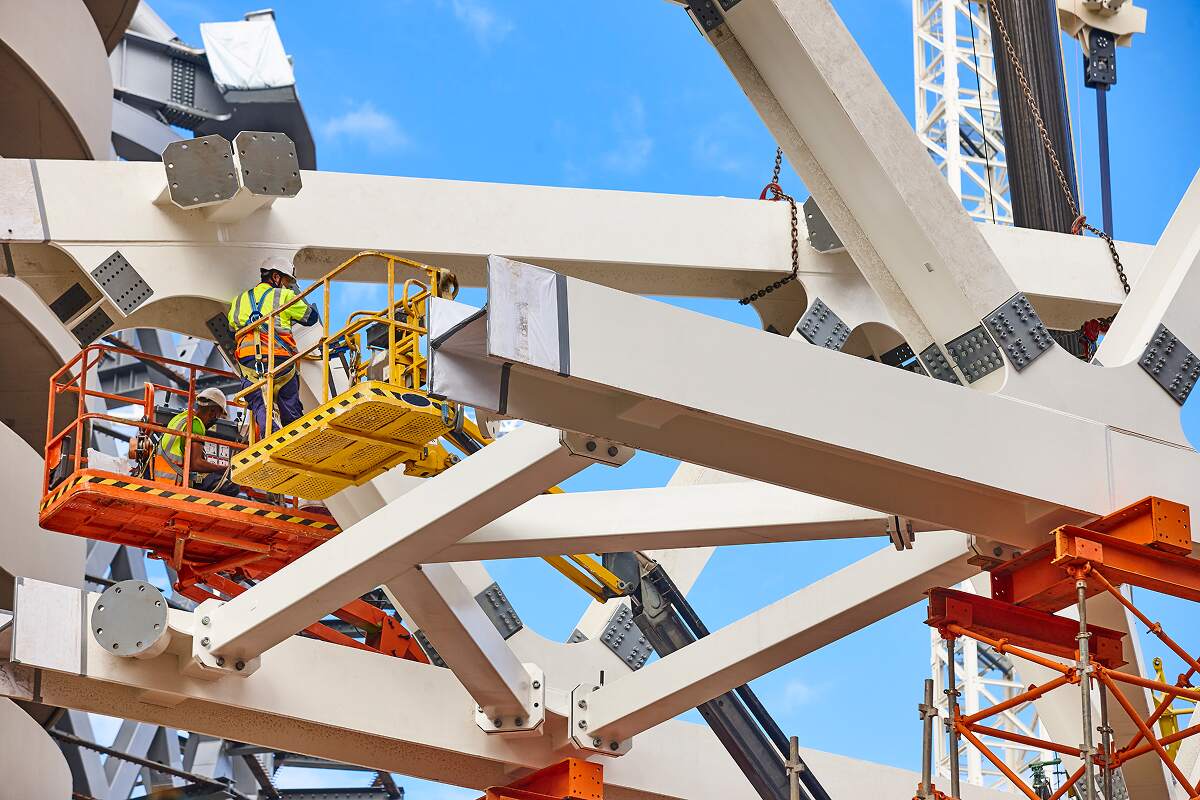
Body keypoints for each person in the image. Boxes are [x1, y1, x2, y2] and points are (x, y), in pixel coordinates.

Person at [227, 256, 319, 438]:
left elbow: (231, 328)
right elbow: (311, 317)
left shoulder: (239, 301)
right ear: (276, 277)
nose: (285, 286)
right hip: (279, 358)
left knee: (257, 399)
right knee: (289, 402)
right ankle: (294, 437)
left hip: (249, 361)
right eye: (285, 282)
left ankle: (269, 433)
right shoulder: (284, 296)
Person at [153, 388, 240, 497]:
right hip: (177, 479)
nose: (215, 420)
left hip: (162, 476)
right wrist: (224, 469)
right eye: (217, 416)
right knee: (232, 487)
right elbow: (196, 464)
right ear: (212, 412)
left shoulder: (181, 417)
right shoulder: (196, 424)